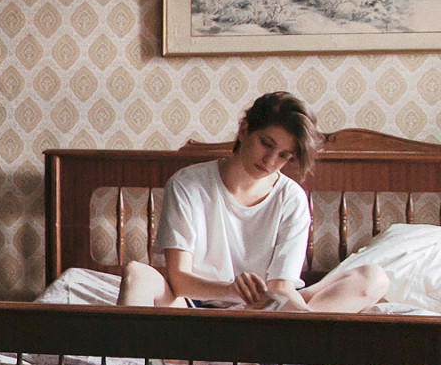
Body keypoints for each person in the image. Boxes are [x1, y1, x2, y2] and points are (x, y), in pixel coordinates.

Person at [117, 91, 388, 313]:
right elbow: (179, 281)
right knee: (137, 273)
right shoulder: (187, 184)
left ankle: (296, 338)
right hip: (194, 309)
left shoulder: (292, 198)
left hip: (264, 314)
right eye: (266, 144)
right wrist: (231, 290)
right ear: (244, 129)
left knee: (373, 278)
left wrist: (301, 318)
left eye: (284, 156)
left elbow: (281, 288)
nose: (270, 161)